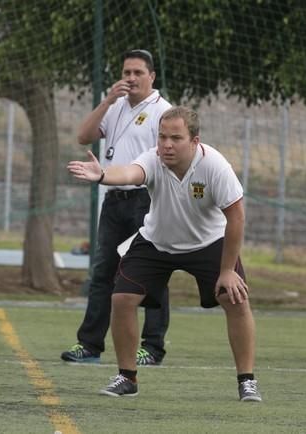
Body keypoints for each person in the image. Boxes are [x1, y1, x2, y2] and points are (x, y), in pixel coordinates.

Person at [67, 106, 262, 402]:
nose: (167, 144)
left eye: (176, 138)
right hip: (157, 241)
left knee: (236, 299)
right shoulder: (154, 158)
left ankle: (246, 381)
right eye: (162, 137)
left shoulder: (215, 166)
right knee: (122, 298)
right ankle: (127, 377)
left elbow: (236, 218)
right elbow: (131, 172)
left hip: (208, 242)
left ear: (195, 141)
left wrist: (226, 271)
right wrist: (103, 174)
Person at [61, 49, 171, 365]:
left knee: (151, 273)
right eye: (126, 73)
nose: (131, 79)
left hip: (146, 201)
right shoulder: (116, 107)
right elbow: (84, 136)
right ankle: (90, 344)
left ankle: (152, 347)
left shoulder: (163, 112)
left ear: (152, 76)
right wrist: (107, 101)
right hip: (113, 200)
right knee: (102, 273)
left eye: (138, 72)